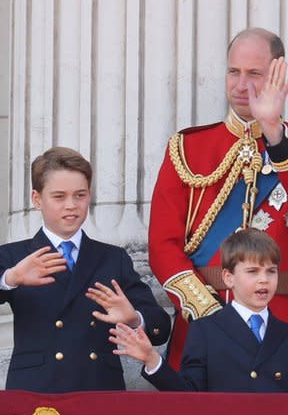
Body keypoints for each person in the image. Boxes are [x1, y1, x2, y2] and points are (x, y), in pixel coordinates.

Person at [148, 27, 288, 374]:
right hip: (202, 324)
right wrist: (207, 313)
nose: (241, 85)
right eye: (233, 72)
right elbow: (163, 244)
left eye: (254, 74)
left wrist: (274, 133)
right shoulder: (187, 148)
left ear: (278, 76)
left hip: (279, 325)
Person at [0, 147, 171, 392]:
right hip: (36, 388)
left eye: (79, 195)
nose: (71, 205)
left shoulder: (113, 258)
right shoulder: (12, 256)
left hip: (98, 388)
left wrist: (134, 318)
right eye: (59, 197)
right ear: (37, 199)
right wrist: (11, 278)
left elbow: (160, 327)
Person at [112, 229, 288, 392]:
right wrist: (152, 360)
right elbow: (188, 394)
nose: (264, 280)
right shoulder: (205, 330)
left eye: (271, 272)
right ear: (229, 278)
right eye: (253, 272)